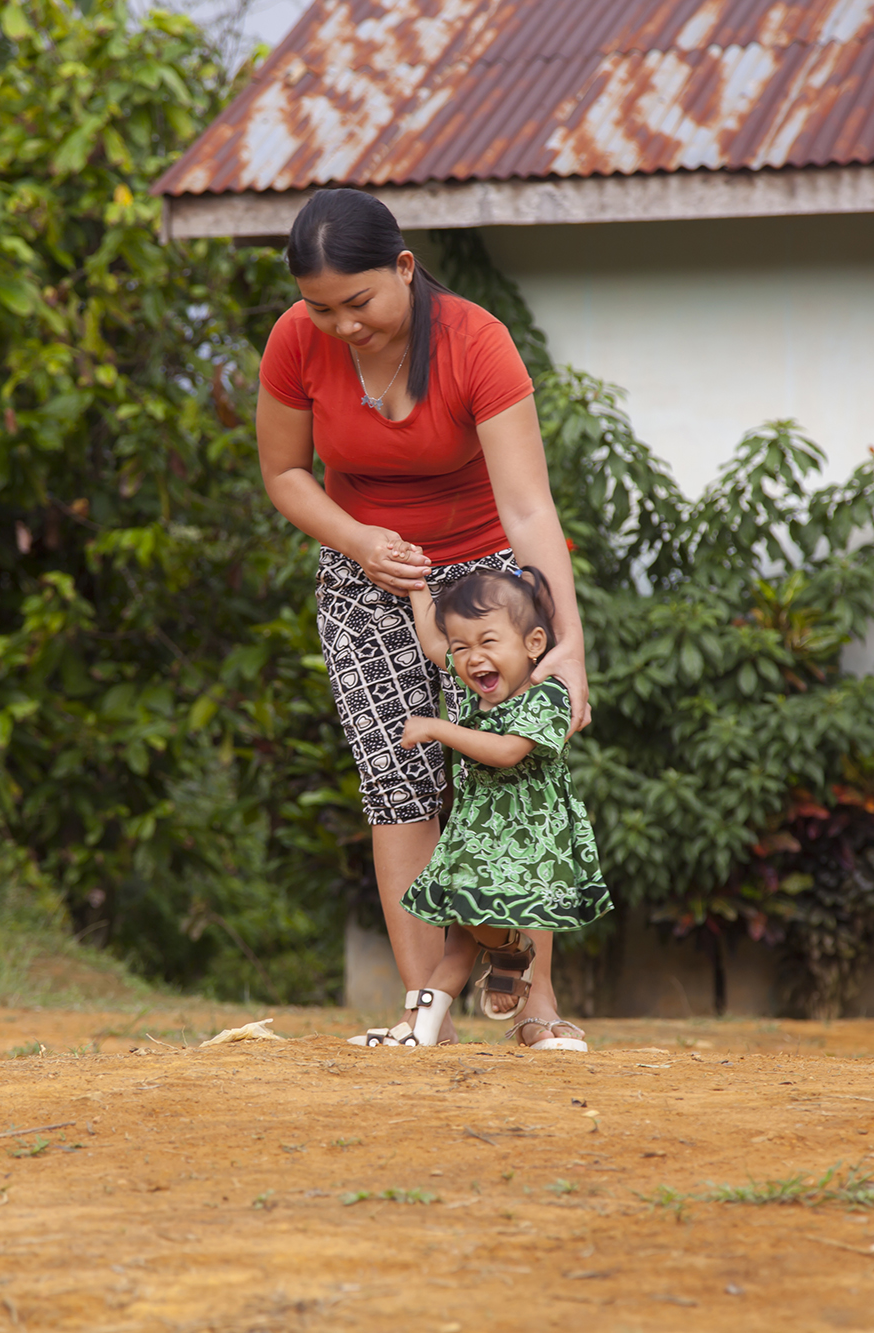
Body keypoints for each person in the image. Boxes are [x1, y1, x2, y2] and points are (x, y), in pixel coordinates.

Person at [254, 188, 592, 1045]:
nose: (342, 325)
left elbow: (528, 509)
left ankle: (536, 1005)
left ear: (404, 268)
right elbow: (287, 474)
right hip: (362, 571)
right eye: (321, 307)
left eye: (359, 301)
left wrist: (570, 646)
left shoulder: (477, 342)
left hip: (484, 578)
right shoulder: (296, 341)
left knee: (510, 776)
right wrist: (360, 540)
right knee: (394, 779)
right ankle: (423, 1014)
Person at [394, 568, 608, 1050]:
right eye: (463, 646)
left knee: (466, 923)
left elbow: (507, 751)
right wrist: (414, 587)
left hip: (530, 837)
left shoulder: (546, 693)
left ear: (534, 643)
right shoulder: (481, 687)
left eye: (487, 641)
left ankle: (501, 961)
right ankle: (429, 1020)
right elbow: (434, 645)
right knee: (461, 921)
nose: (472, 658)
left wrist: (437, 727)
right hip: (478, 831)